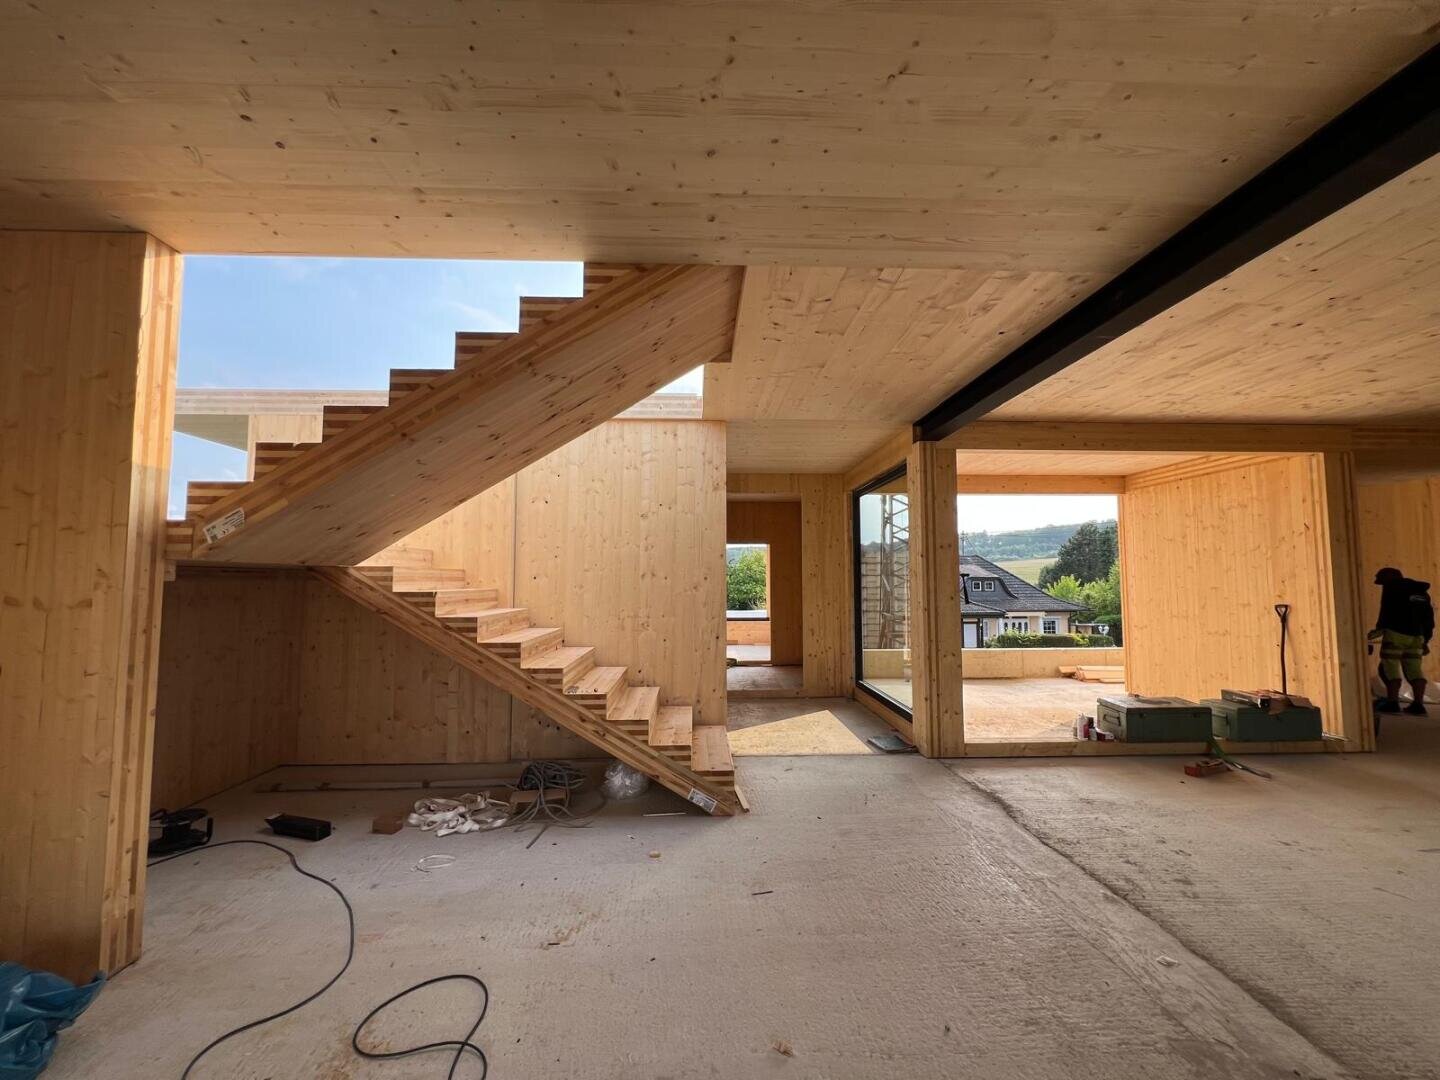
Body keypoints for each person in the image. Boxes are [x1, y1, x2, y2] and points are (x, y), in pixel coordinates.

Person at [1370, 567, 1434, 717]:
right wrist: (1425, 640)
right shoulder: (1422, 592)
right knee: (1414, 670)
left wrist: (1377, 631)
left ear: (1389, 578)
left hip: (1395, 634)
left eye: (1382, 580)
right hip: (1417, 637)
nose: (1381, 584)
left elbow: (1386, 611)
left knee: (1388, 668)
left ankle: (1392, 703)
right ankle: (1418, 706)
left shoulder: (1392, 587)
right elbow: (1429, 618)